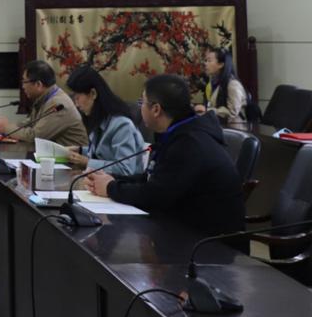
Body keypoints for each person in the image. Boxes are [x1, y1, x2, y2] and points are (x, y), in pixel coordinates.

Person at [85, 74, 245, 238]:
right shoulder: (180, 133)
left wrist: (111, 188)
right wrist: (112, 179)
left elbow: (155, 195)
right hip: (185, 229)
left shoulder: (190, 144)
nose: (140, 108)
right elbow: (153, 179)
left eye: (142, 102)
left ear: (156, 109)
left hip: (209, 243)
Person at [64, 65, 147, 177]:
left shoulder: (121, 125)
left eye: (77, 97)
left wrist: (86, 162)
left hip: (125, 185)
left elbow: (125, 169)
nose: (76, 104)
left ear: (93, 94)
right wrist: (79, 151)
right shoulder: (99, 118)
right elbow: (103, 153)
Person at [0, 60, 88, 146]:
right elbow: (30, 123)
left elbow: (34, 136)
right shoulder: (45, 98)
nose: (23, 86)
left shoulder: (58, 104)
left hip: (72, 160)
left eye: (24, 82)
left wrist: (6, 128)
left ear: (38, 84)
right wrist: (3, 126)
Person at [194, 48, 247, 127]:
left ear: (221, 64)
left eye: (209, 61)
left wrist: (207, 110)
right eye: (206, 60)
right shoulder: (214, 83)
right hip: (220, 127)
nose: (205, 64)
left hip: (234, 129)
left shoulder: (233, 84)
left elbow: (232, 112)